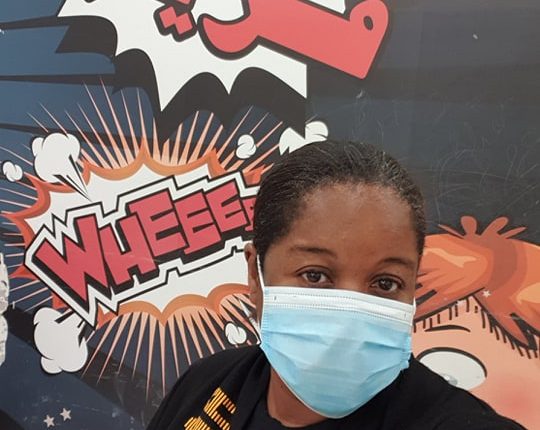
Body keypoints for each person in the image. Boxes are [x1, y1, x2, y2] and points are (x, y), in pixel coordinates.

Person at [147, 140, 525, 429]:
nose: (349, 314)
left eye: (385, 282)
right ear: (254, 274)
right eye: (315, 275)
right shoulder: (209, 384)